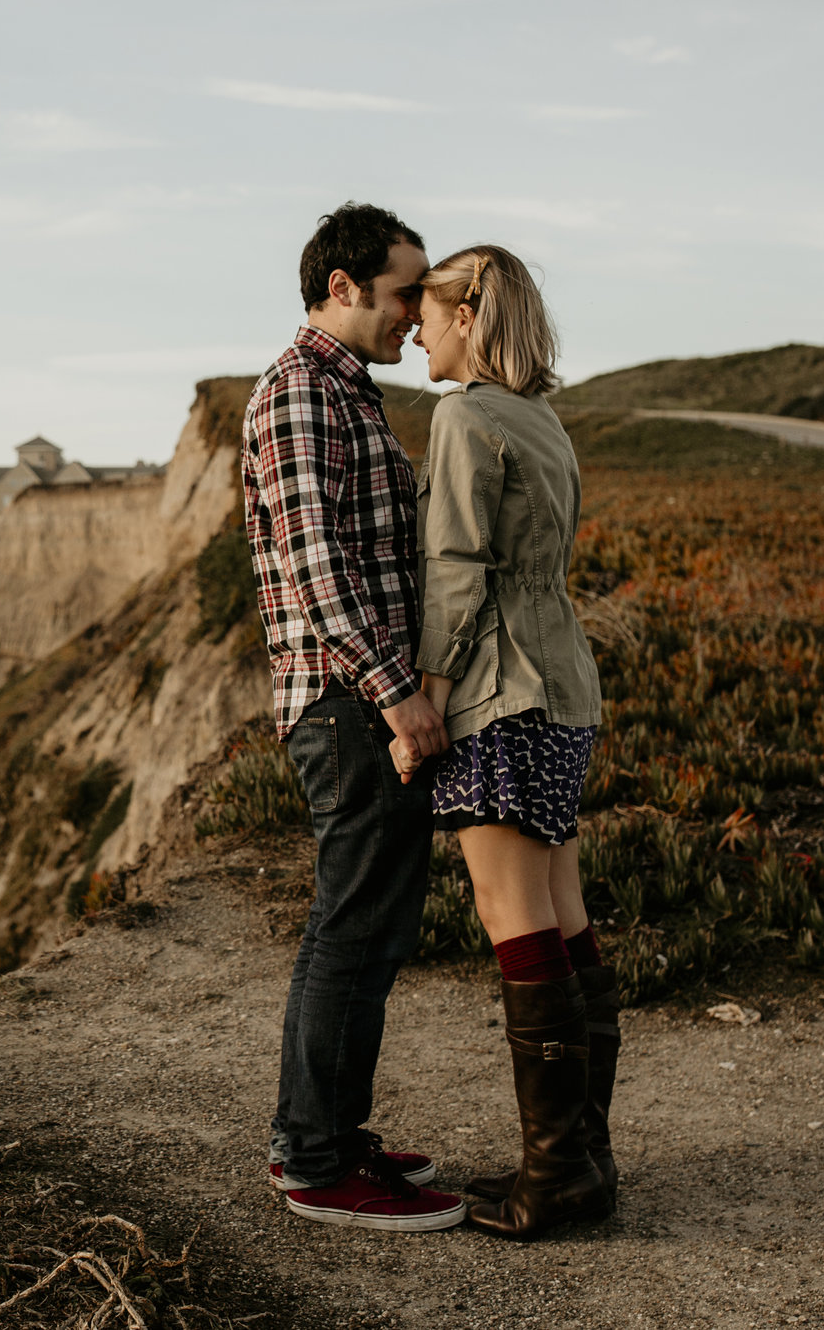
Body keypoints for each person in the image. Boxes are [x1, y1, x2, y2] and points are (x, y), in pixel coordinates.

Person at [242, 203, 465, 1232]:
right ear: (343, 286)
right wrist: (397, 696)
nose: (415, 310)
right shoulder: (298, 394)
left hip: (356, 699)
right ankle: (312, 1156)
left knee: (368, 930)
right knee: (349, 927)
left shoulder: (349, 396)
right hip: (344, 705)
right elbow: (317, 571)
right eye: (403, 289)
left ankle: (329, 1130)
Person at [400, 243, 615, 1240]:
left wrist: (428, 694)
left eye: (430, 311)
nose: (416, 328)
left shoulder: (466, 413)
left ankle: (558, 1173)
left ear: (470, 316)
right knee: (562, 910)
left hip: (500, 682)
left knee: (511, 910)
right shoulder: (544, 419)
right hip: (563, 680)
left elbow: (452, 562)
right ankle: (576, 1155)